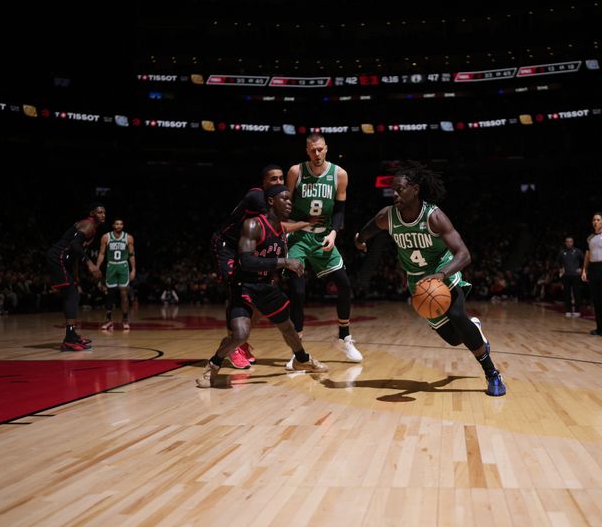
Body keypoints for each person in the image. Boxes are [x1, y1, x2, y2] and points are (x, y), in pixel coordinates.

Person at [353, 164, 506, 397]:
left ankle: (492, 373)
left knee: (457, 316)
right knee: (454, 339)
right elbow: (367, 231)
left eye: (400, 189)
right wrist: (360, 240)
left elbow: (464, 254)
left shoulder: (434, 216)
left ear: (415, 189)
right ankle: (474, 327)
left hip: (443, 273)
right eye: (393, 189)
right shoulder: (387, 216)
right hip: (418, 282)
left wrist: (443, 274)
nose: (395, 193)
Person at [197, 185, 328, 388]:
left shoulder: (281, 230)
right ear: (270, 201)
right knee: (241, 334)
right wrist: (285, 262)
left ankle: (302, 359)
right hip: (244, 286)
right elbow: (246, 261)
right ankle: (213, 366)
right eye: (284, 198)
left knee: (289, 328)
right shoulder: (253, 225)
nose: (289, 202)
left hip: (266, 287)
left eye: (290, 199)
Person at [285, 133, 363, 367]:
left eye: (320, 149)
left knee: (344, 285)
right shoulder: (295, 172)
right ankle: (298, 352)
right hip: (298, 237)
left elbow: (340, 209)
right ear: (307, 151)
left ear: (326, 149)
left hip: (323, 238)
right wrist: (286, 230)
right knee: (297, 292)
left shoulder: (339, 174)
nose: (317, 154)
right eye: (312, 150)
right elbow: (285, 205)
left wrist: (333, 233)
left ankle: (344, 337)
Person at [46, 202, 106, 351]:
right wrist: (90, 264)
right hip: (57, 257)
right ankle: (69, 339)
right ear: (92, 214)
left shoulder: (89, 226)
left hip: (62, 259)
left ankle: (71, 335)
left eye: (104, 212)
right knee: (72, 294)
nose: (103, 215)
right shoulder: (89, 225)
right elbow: (75, 245)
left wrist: (76, 275)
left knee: (72, 294)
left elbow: (74, 254)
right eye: (99, 212)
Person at [95, 218, 136, 330]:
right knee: (110, 294)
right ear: (113, 225)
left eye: (121, 224)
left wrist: (133, 269)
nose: (119, 226)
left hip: (123, 265)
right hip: (111, 266)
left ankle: (125, 319)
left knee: (124, 294)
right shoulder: (106, 237)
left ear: (123, 226)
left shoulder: (128, 237)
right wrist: (97, 267)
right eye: (117, 224)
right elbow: (102, 253)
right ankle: (109, 320)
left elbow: (131, 255)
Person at [556, 236, 584, 317]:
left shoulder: (577, 251)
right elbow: (558, 262)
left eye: (570, 241)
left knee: (576, 293)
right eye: (567, 242)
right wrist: (561, 268)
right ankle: (568, 310)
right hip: (566, 276)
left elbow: (585, 260)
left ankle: (577, 311)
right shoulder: (562, 252)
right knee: (567, 294)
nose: (569, 243)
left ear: (573, 242)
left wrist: (581, 269)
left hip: (576, 276)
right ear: (565, 243)